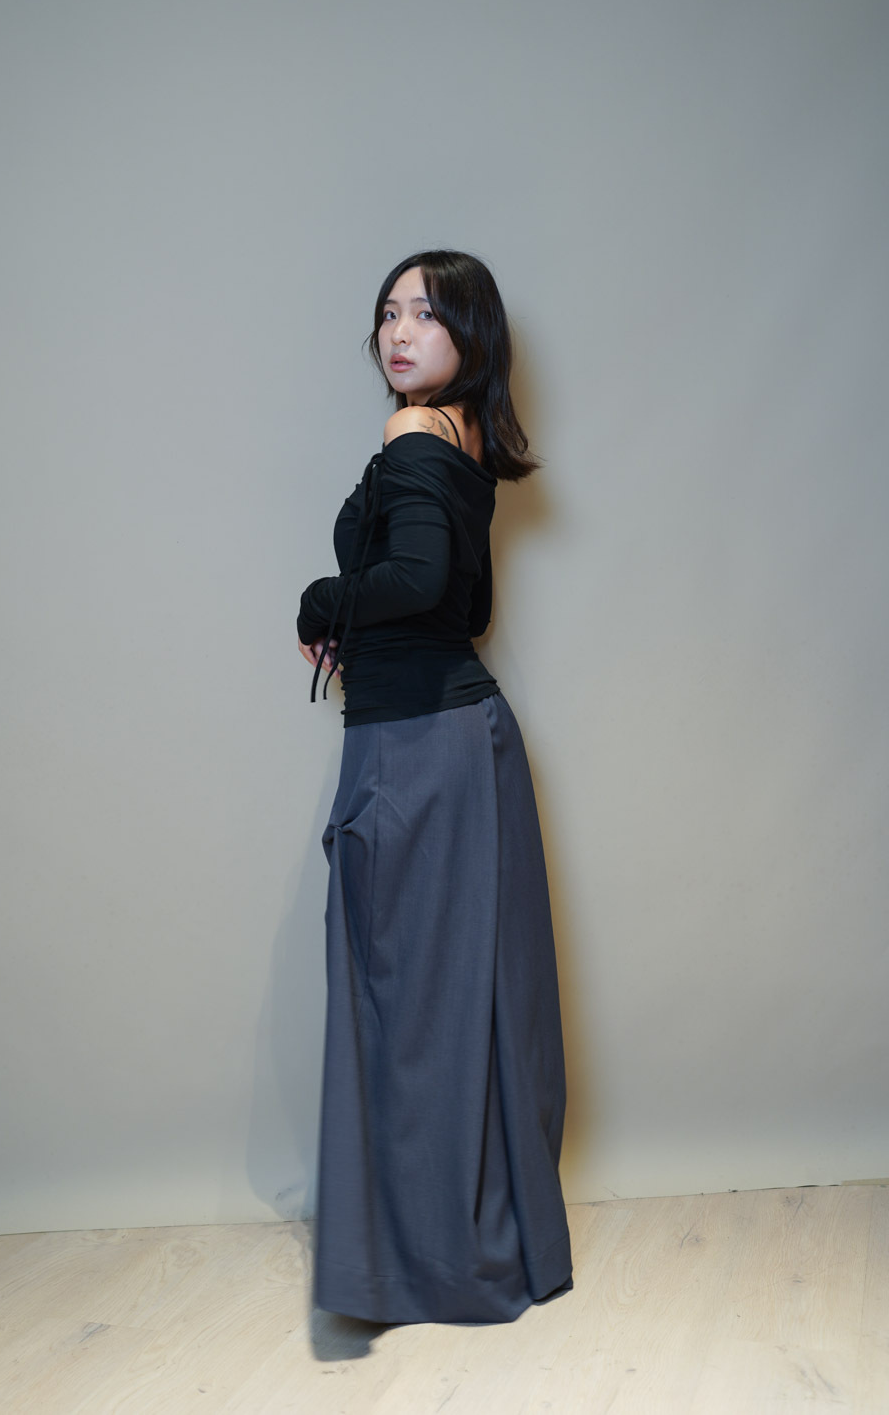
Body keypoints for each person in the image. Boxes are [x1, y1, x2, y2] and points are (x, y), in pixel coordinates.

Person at [296, 249, 572, 1325]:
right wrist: (358, 626)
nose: (398, 331)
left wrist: (320, 602)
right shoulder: (464, 438)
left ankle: (414, 1262)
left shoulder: (414, 430)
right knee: (458, 1006)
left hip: (417, 748)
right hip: (456, 744)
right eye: (387, 313)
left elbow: (414, 582)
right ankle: (461, 1246)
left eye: (425, 313)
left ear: (472, 334)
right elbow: (469, 606)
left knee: (409, 1007)